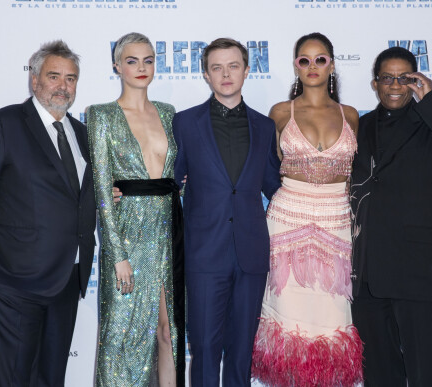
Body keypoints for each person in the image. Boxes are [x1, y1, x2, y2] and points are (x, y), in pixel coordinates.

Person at [0, 40, 96, 386]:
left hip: (68, 275)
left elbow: (77, 196)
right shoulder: (3, 124)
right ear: (34, 81)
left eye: (71, 78)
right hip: (13, 278)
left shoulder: (82, 133)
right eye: (54, 76)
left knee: (51, 379)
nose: (63, 86)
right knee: (13, 379)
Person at [350, 46, 432, 386]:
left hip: (414, 266)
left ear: (416, 81)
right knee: (378, 370)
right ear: (374, 83)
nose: (394, 85)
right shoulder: (358, 127)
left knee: (428, 368)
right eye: (386, 78)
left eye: (404, 78)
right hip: (367, 271)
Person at [252, 33, 363, 387]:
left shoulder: (351, 115)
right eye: (304, 60)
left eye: (320, 59)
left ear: (331, 63)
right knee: (287, 320)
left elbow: (355, 180)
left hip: (336, 223)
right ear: (295, 65)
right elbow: (262, 169)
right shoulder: (281, 113)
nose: (312, 67)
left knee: (332, 320)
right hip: (287, 222)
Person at [172, 38, 280, 387]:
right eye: (217, 67)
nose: (226, 74)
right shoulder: (185, 124)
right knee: (203, 349)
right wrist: (126, 189)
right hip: (204, 254)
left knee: (241, 353)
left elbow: (274, 186)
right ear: (206, 74)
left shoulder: (265, 127)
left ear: (247, 70)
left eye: (233, 66)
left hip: (251, 254)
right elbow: (170, 180)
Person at [87, 32, 185, 387]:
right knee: (119, 336)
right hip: (127, 236)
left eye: (148, 60)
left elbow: (177, 174)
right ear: (117, 66)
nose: (141, 68)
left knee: (168, 333)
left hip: (167, 235)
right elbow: (101, 189)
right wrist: (117, 255)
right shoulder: (100, 116)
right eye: (132, 60)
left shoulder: (168, 113)